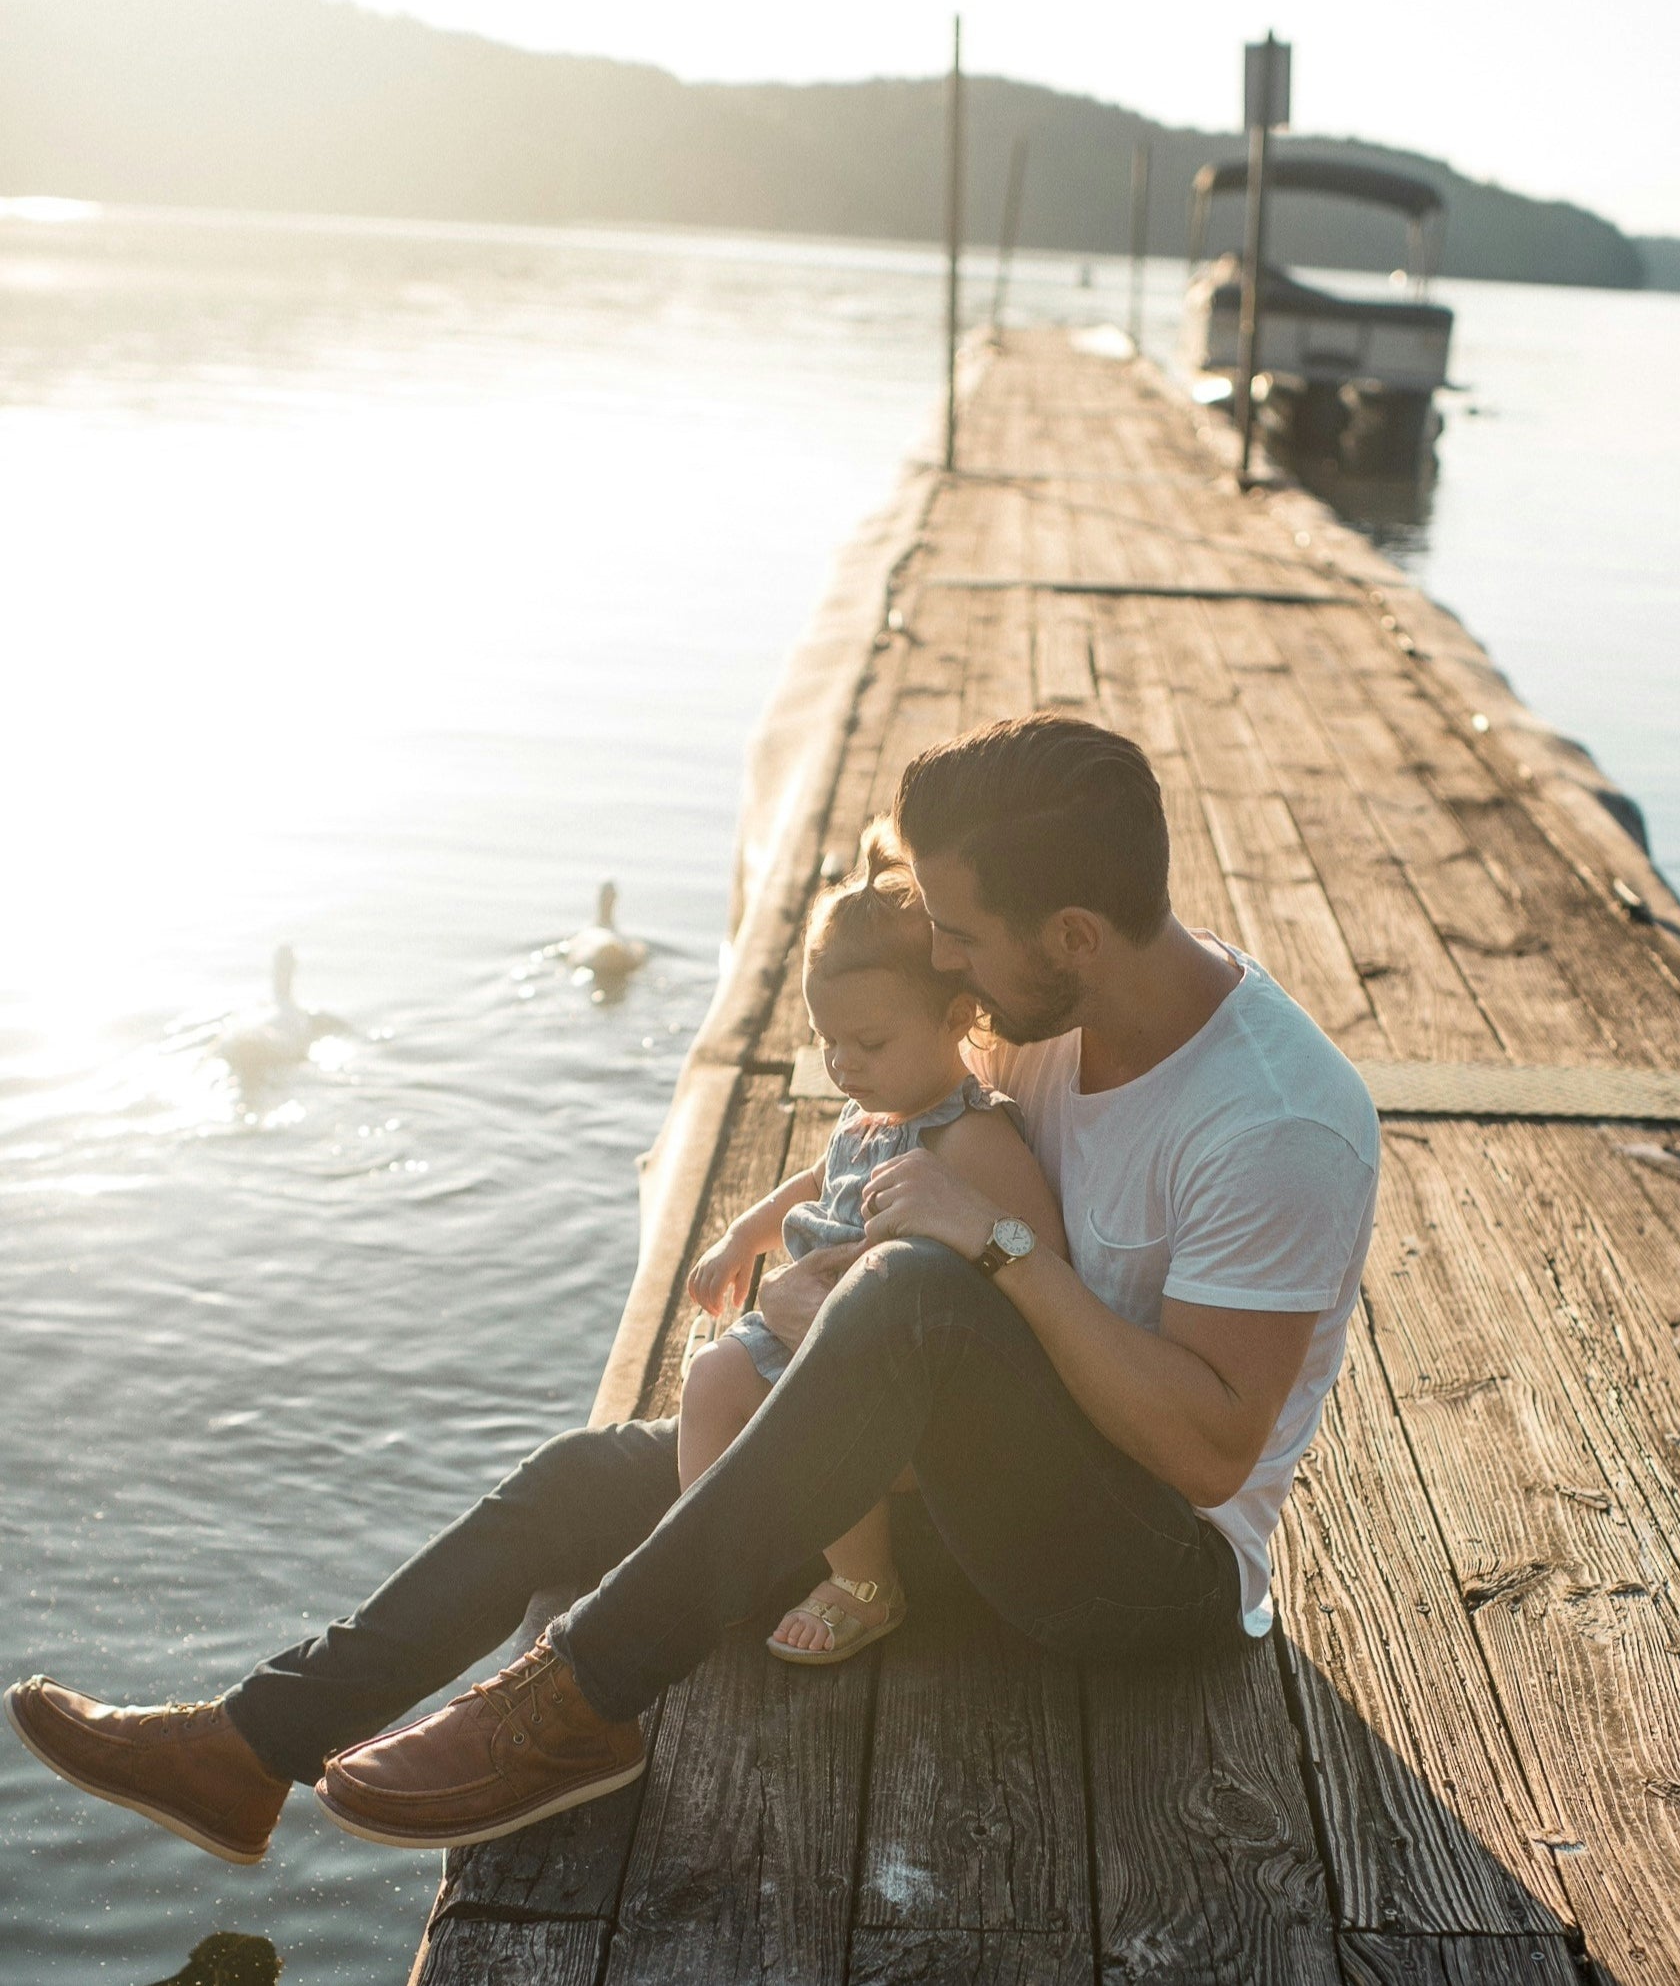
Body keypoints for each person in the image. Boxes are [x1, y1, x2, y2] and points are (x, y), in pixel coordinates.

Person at [5, 711, 1378, 1862]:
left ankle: (577, 1702)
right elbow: (905, 1154)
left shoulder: (1274, 1121)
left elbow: (1208, 1453)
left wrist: (992, 1251)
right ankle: (252, 1747)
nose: (942, 960)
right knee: (579, 1480)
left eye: (960, 934)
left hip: (1145, 1574)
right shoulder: (1041, 1022)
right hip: (968, 1491)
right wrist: (803, 1244)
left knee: (913, 1297)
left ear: (1072, 934)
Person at [679, 821, 1065, 1664]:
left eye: (871, 1043)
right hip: (806, 1320)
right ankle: (714, 1557)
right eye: (828, 1044)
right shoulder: (871, 1111)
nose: (844, 1066)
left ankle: (866, 1581)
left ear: (958, 1014)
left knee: (825, 1418)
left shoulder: (970, 1137)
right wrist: (745, 1235)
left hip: (891, 1372)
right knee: (708, 1377)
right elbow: (818, 1180)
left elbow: (1040, 1257)